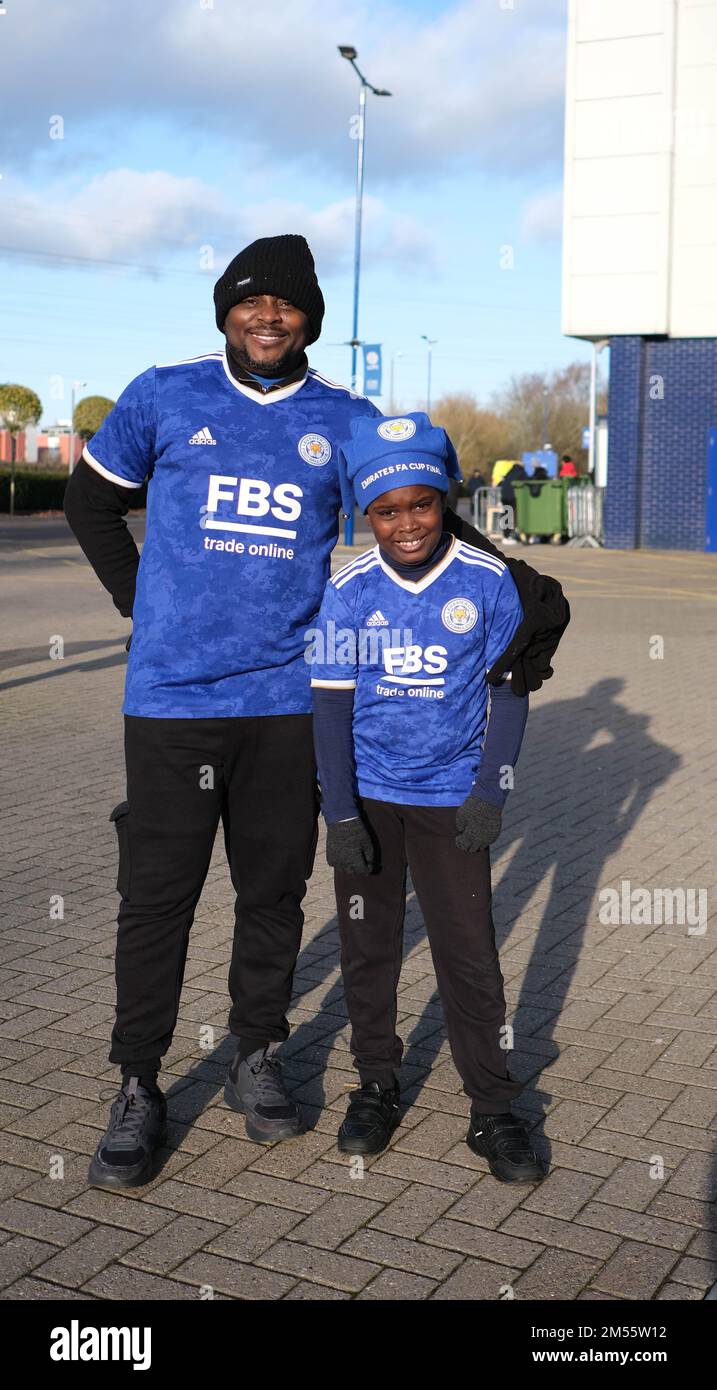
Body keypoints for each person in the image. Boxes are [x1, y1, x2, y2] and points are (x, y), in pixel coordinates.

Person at [64, 235, 568, 1190]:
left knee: (273, 894)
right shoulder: (163, 394)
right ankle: (137, 1083)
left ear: (309, 321)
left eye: (287, 306)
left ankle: (258, 1053)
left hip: (290, 703)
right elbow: (91, 505)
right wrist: (145, 606)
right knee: (157, 899)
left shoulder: (343, 418)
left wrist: (518, 584)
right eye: (250, 303)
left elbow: (408, 500)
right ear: (225, 312)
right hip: (170, 702)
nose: (268, 317)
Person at [309, 413, 545, 1183]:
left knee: (469, 954)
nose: (405, 523)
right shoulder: (346, 592)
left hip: (452, 801)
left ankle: (493, 1107)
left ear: (445, 500)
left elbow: (508, 696)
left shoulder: (488, 584)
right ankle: (375, 1083)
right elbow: (331, 708)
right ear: (363, 515)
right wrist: (339, 812)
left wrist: (490, 792)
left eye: (421, 503)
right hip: (370, 800)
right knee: (368, 950)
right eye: (385, 509)